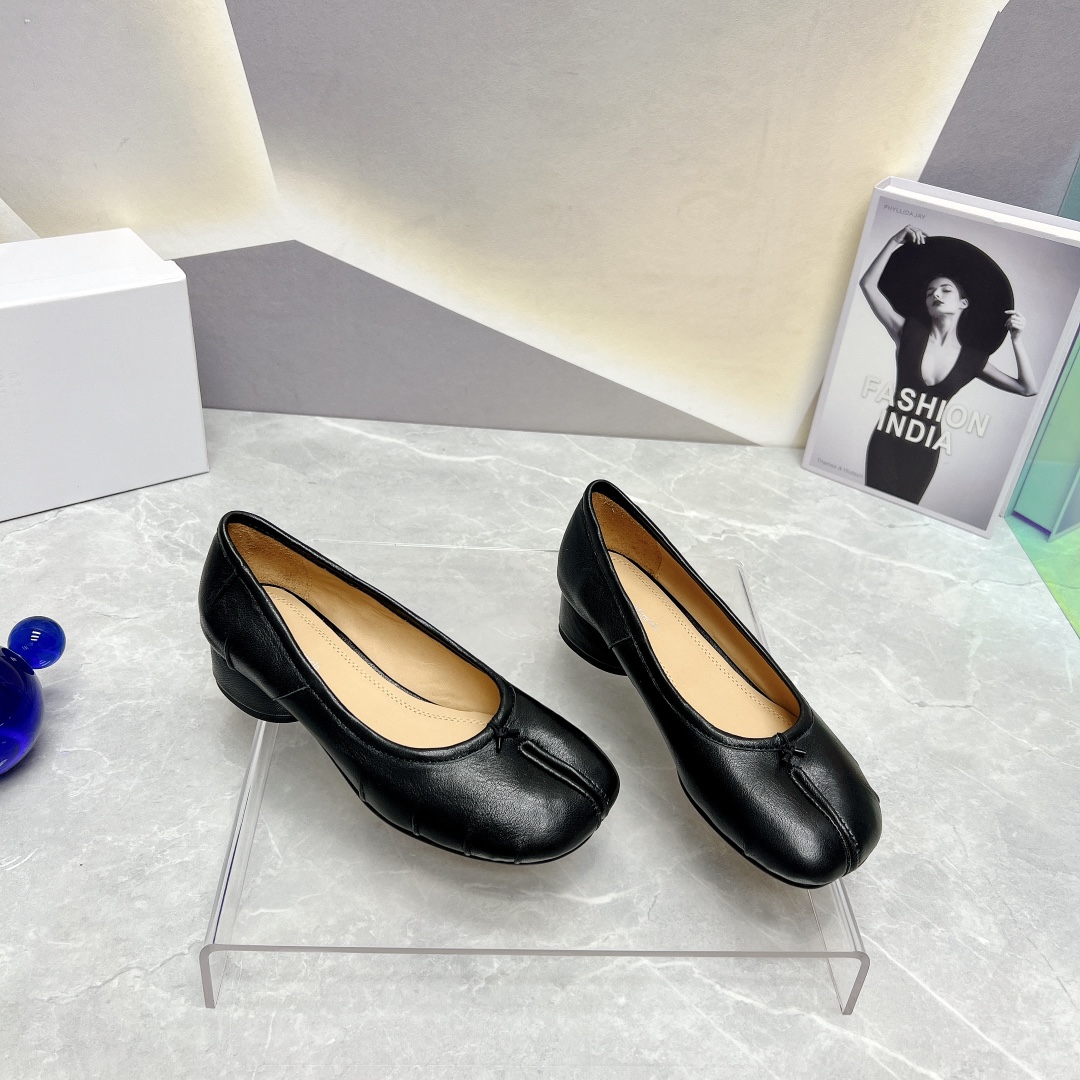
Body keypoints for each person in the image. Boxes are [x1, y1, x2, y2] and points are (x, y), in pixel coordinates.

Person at [859, 226, 1038, 504]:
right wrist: (894, 241)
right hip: (887, 438)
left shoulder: (972, 360)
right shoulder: (907, 332)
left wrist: (1017, 340)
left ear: (963, 303)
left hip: (926, 448)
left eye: (945, 290)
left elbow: (1028, 388)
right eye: (930, 292)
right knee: (870, 503)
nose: (936, 295)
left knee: (901, 513)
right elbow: (868, 285)